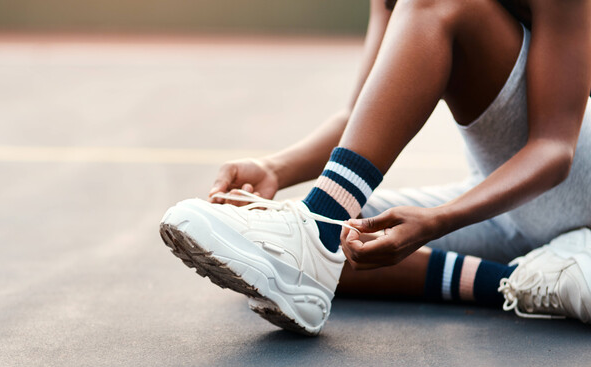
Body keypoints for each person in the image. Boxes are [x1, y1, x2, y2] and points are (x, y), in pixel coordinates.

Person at [160, 0, 591, 336]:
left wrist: (439, 220)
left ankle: (315, 233)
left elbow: (553, 150)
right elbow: (361, 114)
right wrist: (275, 167)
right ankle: (518, 283)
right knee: (276, 251)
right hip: (499, 202)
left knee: (313, 233)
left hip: (574, 188)